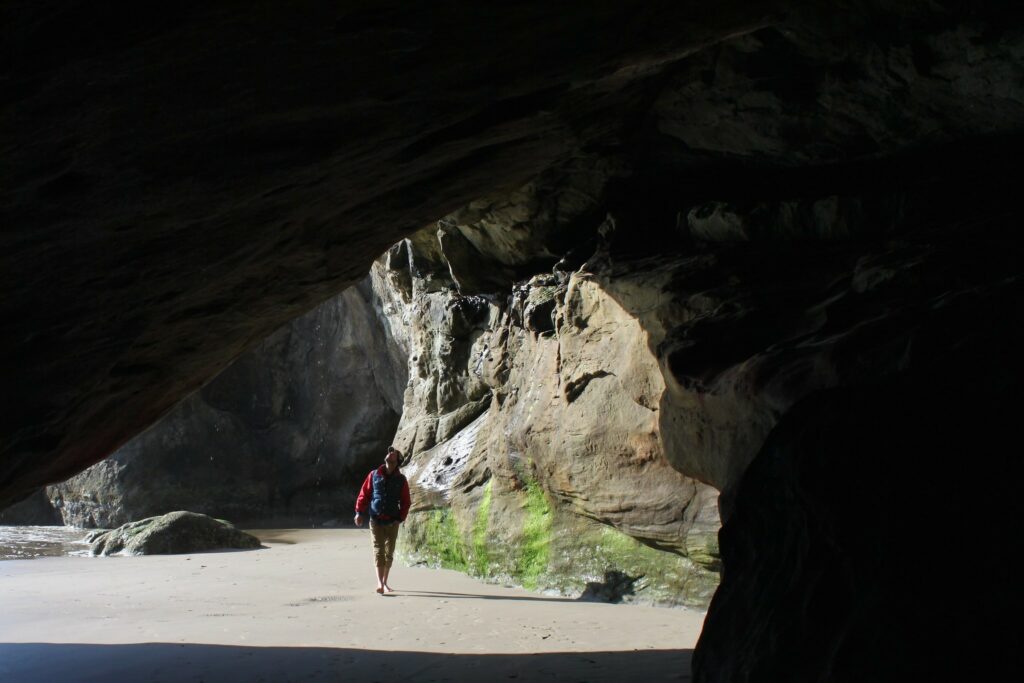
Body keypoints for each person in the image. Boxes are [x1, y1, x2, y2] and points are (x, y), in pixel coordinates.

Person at [354, 446, 411, 594]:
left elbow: (406, 501)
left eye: (394, 453)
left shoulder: (401, 480)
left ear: (397, 461)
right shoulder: (374, 475)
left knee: (389, 553)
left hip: (393, 521)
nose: (390, 453)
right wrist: (359, 512)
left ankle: (385, 582)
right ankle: (380, 583)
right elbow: (364, 494)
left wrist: (400, 518)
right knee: (379, 551)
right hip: (375, 519)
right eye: (389, 451)